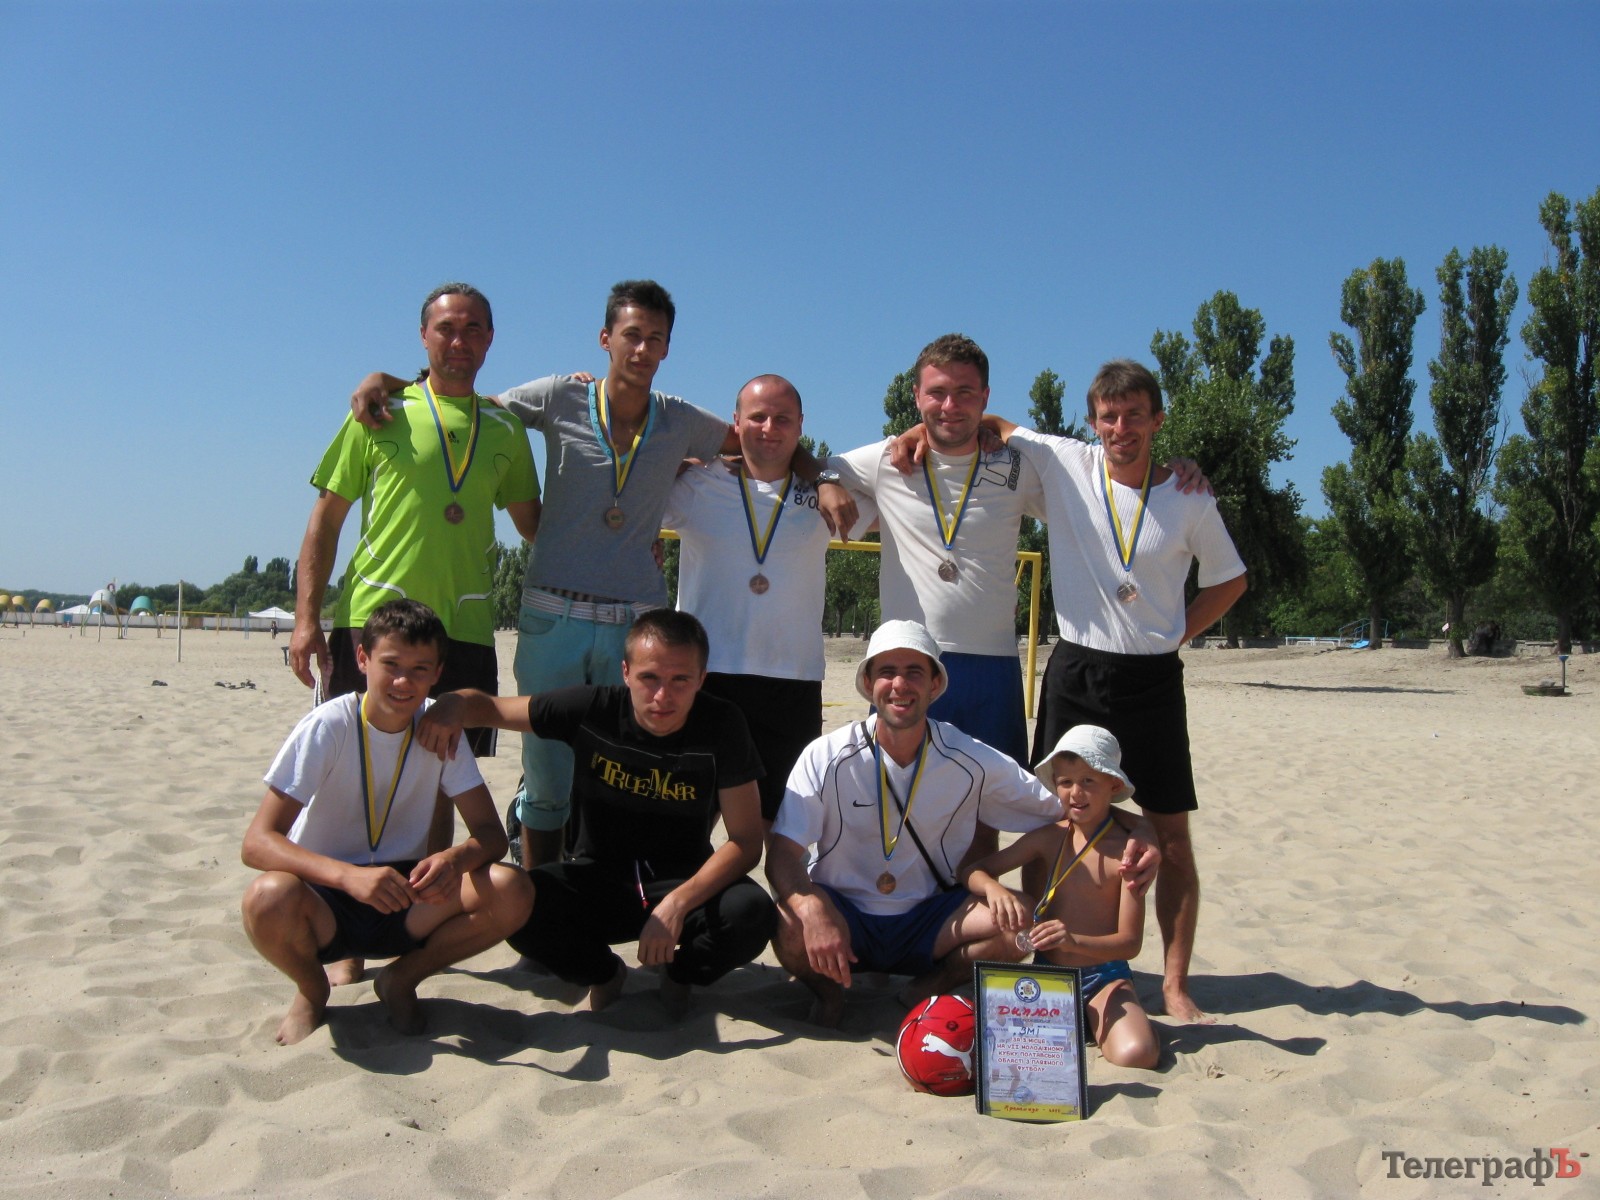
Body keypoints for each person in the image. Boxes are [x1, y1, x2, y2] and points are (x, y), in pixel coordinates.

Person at [351, 281, 852, 868]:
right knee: (545, 774)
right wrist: (391, 381)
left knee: (623, 769)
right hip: (552, 612)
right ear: (605, 338)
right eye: (631, 335)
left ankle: (610, 889)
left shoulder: (680, 418)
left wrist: (821, 476)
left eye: (655, 339)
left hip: (633, 622)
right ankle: (542, 895)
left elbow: (765, 440)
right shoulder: (559, 395)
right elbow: (464, 401)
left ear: (667, 348)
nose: (641, 349)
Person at [985, 359, 1247, 1024]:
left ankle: (1176, 983)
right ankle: (1048, 960)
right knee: (1055, 821)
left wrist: (1176, 632)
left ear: (1157, 420)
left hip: (1152, 678)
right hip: (1077, 669)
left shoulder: (1189, 496)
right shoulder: (1066, 461)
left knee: (1172, 836)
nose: (1120, 427)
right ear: (1093, 421)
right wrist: (909, 437)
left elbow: (1230, 579)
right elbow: (985, 420)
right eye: (1109, 416)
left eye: (1134, 415)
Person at [766, 620, 1159, 1027]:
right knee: (787, 917)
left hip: (930, 915)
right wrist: (810, 907)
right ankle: (830, 995)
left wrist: (1141, 828)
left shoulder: (969, 757)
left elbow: (1063, 805)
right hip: (846, 912)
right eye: (886, 672)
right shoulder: (826, 755)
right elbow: (783, 852)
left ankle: (928, 987)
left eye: (914, 672)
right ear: (868, 683)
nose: (900, 685)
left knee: (1020, 923)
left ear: (935, 685)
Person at [418, 610, 775, 1020]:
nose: (663, 696)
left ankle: (679, 975)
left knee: (752, 913)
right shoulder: (595, 709)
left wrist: (678, 903)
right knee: (517, 910)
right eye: (649, 678)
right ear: (626, 673)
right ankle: (604, 973)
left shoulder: (722, 723)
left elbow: (746, 841)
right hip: (597, 877)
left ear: (701, 679)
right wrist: (452, 703)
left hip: (684, 878)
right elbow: (492, 709)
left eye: (680, 680)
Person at [240, 600, 534, 1046]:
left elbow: (491, 836)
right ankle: (312, 988)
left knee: (512, 889)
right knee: (266, 896)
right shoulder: (329, 726)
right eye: (391, 665)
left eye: (419, 669)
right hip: (324, 894)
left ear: (437, 673)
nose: (403, 681)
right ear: (363, 659)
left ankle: (401, 979)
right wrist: (348, 877)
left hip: (406, 891)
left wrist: (455, 860)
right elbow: (257, 843)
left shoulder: (440, 727)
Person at [291, 282, 541, 751]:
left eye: (473, 329)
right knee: (354, 766)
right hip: (374, 623)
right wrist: (306, 619)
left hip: (464, 631)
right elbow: (325, 521)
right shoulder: (376, 412)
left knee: (447, 775)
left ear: (490, 338)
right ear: (424, 335)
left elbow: (534, 528)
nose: (459, 341)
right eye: (446, 328)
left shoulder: (506, 429)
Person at [663, 374, 877, 825]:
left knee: (781, 828)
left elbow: (902, 490)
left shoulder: (826, 493)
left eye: (782, 419)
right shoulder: (697, 484)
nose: (769, 428)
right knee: (690, 822)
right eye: (757, 417)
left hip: (792, 681)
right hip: (708, 676)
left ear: (801, 425)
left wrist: (827, 476)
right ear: (736, 422)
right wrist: (669, 463)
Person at [831, 335, 1045, 769]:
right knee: (900, 793)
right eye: (937, 393)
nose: (950, 405)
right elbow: (809, 466)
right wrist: (825, 482)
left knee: (992, 802)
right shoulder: (886, 460)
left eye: (965, 392)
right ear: (916, 396)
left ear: (985, 397)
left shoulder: (1018, 466)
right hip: (908, 663)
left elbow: (1093, 483)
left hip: (993, 666)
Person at [961, 725, 1159, 1069]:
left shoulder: (1126, 852)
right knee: (993, 1049)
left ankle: (1103, 1020)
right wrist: (995, 889)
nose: (1075, 793)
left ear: (1113, 785)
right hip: (1046, 974)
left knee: (1137, 1054)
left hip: (1103, 975)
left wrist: (1073, 940)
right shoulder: (1049, 838)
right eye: (1065, 782)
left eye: (1088, 781)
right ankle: (1082, 1023)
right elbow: (972, 871)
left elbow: (1130, 943)